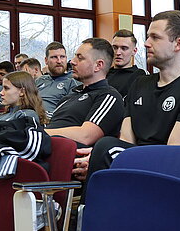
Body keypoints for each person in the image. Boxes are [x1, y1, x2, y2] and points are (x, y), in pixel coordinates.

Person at [85, 11, 180, 181]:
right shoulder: (140, 84)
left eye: (155, 37)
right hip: (138, 167)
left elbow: (174, 153)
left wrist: (107, 155)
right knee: (99, 152)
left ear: (178, 44)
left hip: (176, 177)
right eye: (148, 37)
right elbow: (126, 142)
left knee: (106, 147)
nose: (146, 43)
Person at [45, 38, 125, 178]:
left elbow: (86, 136)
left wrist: (41, 133)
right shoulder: (69, 97)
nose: (72, 61)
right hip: (46, 150)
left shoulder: (108, 96)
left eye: (80, 58)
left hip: (69, 160)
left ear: (98, 65)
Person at [0, 71, 50, 178]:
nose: (1, 93)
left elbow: (16, 145)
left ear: (22, 92)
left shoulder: (27, 116)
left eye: (6, 88)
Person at [35, 41, 78, 118]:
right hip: (31, 116)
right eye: (54, 57)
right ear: (46, 60)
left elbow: (69, 111)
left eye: (62, 57)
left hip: (52, 120)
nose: (59, 61)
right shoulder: (39, 80)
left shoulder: (72, 81)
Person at [106, 29, 147, 100]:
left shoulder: (139, 77)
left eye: (124, 48)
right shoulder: (103, 74)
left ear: (134, 51)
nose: (118, 52)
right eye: (115, 48)